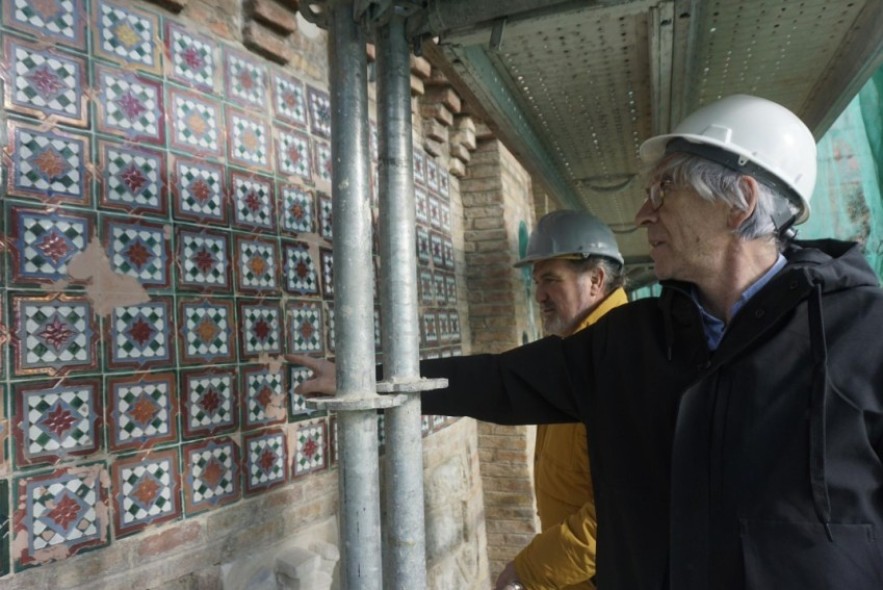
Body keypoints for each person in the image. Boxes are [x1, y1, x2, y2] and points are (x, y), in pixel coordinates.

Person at [290, 94, 883, 589]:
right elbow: (500, 381)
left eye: (663, 190)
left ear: (740, 204)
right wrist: (367, 377)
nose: (644, 214)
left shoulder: (863, 333)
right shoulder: (631, 341)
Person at [493, 210, 627, 590]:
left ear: (596, 280)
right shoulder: (571, 353)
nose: (539, 295)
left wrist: (531, 569)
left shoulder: (621, 359)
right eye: (537, 281)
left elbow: (623, 514)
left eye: (551, 280)